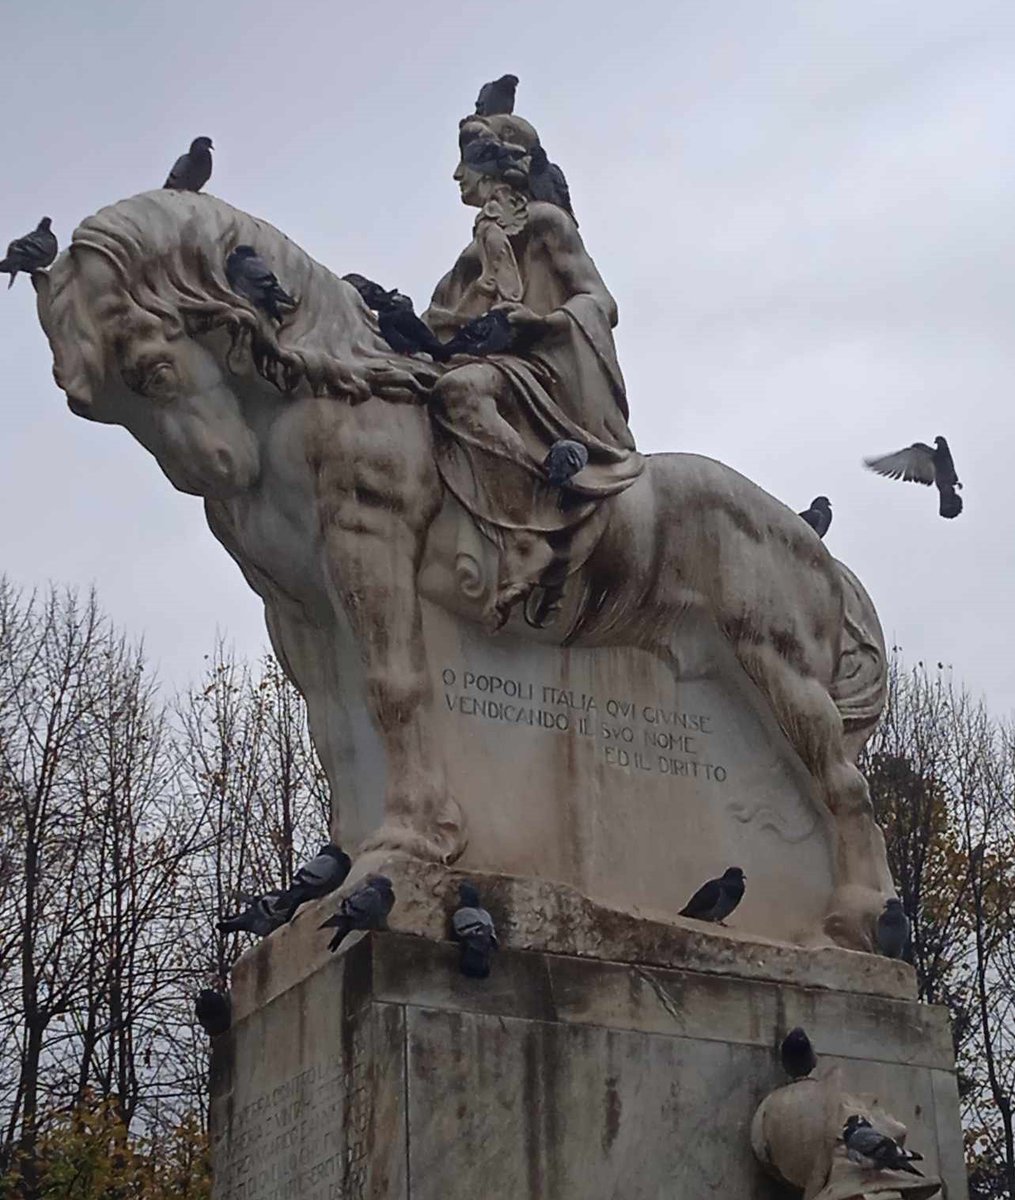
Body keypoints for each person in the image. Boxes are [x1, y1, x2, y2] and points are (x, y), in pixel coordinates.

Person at [416, 112, 645, 627]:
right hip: (490, 362)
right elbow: (441, 322)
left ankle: (532, 525)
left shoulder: (545, 224)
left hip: (544, 370)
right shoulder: (475, 251)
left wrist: (542, 324)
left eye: (466, 162)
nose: (457, 174)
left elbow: (600, 301)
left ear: (499, 166)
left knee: (460, 393)